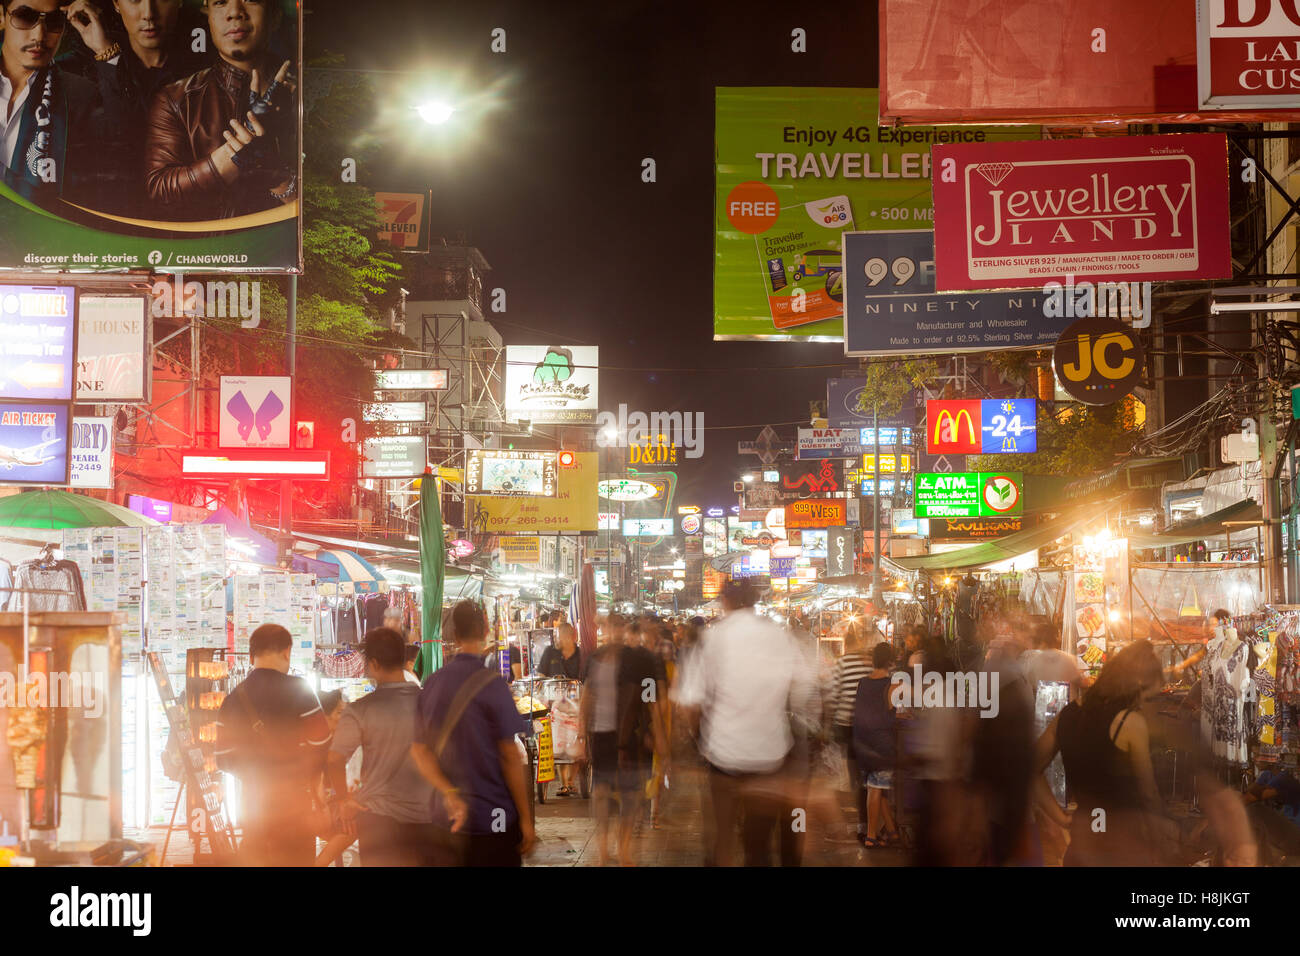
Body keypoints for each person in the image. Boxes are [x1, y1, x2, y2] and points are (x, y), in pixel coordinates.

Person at [674, 580, 818, 867]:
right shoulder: (778, 635)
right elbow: (804, 687)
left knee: (721, 839)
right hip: (769, 756)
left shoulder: (714, 639)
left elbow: (690, 701)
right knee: (758, 844)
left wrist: (697, 739)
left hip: (723, 755)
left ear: (725, 600)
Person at [145, 0, 296, 220]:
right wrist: (234, 156)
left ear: (275, 16)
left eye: (251, 0)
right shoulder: (176, 99)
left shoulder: (305, 93)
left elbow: (333, 209)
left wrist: (279, 178)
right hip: (207, 252)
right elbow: (159, 192)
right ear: (208, 16)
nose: (235, 12)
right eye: (220, 2)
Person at [411, 600, 535, 867]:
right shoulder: (493, 685)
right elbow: (510, 756)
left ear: (454, 635)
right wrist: (526, 819)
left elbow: (419, 751)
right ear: (485, 630)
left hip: (444, 820)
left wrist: (449, 792)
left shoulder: (432, 683)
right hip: (495, 818)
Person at [1033, 640, 1176, 866]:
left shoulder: (1068, 715)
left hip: (1082, 846)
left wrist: (1060, 817)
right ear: (1136, 685)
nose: (1145, 705)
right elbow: (1148, 794)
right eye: (1148, 697)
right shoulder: (1129, 723)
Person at [60, 0, 204, 215]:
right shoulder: (78, 68)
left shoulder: (203, 62)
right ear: (116, 4)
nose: (148, 13)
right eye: (135, 0)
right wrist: (106, 52)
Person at [215, 623, 331, 866]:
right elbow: (321, 743)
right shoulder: (300, 690)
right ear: (287, 651)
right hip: (296, 807)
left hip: (253, 806)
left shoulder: (233, 699)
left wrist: (257, 773)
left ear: (250, 655)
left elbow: (223, 758)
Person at [323, 628, 435, 866]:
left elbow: (334, 759)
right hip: (429, 819)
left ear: (373, 664)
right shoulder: (431, 704)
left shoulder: (360, 709)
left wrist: (343, 800)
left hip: (378, 822)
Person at [0, 0, 113, 202]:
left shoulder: (80, 96)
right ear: (1, 16)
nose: (39, 36)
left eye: (53, 21)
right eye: (25, 17)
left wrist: (104, 49)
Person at [580, 612, 667, 865]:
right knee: (601, 792)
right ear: (604, 631)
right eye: (609, 627)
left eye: (619, 627)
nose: (614, 633)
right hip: (600, 735)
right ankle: (603, 846)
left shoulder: (641, 660)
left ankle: (625, 846)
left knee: (631, 793)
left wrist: (659, 733)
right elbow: (587, 696)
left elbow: (651, 700)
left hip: (632, 737)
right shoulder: (594, 659)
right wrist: (580, 735)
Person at [826, 623, 872, 844]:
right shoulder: (868, 663)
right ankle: (864, 823)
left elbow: (833, 695)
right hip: (866, 726)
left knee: (848, 775)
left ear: (846, 644)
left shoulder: (842, 663)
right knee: (863, 776)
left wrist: (829, 720)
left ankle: (841, 824)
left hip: (845, 724)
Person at [852, 641, 900, 848]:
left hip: (863, 744)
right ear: (890, 661)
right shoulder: (892, 686)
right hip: (882, 747)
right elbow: (899, 711)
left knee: (877, 789)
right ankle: (871, 836)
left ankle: (892, 832)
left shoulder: (862, 683)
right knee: (875, 789)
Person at [539, 623, 582, 797]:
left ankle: (571, 782)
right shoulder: (550, 652)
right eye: (557, 635)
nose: (558, 639)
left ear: (571, 637)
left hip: (576, 704)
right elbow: (541, 675)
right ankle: (564, 784)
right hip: (555, 704)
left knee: (574, 744)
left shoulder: (580, 655)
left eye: (561, 635)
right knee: (559, 746)